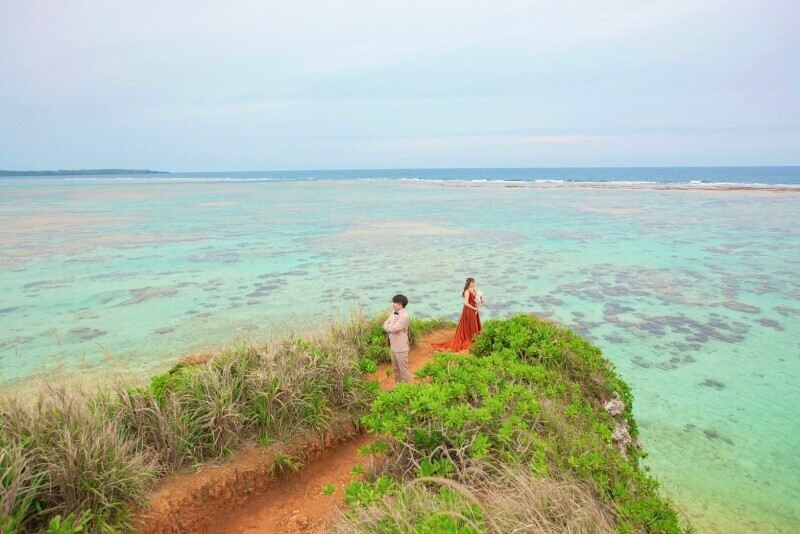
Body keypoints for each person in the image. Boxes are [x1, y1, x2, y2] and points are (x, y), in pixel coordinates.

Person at [432, 277, 482, 352]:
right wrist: (474, 308)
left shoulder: (474, 290)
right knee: (470, 323)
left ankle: (474, 336)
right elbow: (466, 303)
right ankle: (470, 337)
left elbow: (476, 299)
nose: (473, 283)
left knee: (474, 323)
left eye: (474, 282)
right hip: (469, 310)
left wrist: (479, 303)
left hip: (474, 309)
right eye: (472, 282)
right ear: (468, 283)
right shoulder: (467, 292)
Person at [383, 294, 411, 388]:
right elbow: (386, 322)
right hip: (393, 346)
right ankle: (397, 386)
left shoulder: (404, 316)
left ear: (400, 304)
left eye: (395, 302)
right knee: (395, 368)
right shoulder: (394, 311)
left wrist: (388, 327)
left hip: (401, 347)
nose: (393, 304)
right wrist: (388, 326)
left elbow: (394, 329)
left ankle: (407, 388)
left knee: (403, 369)